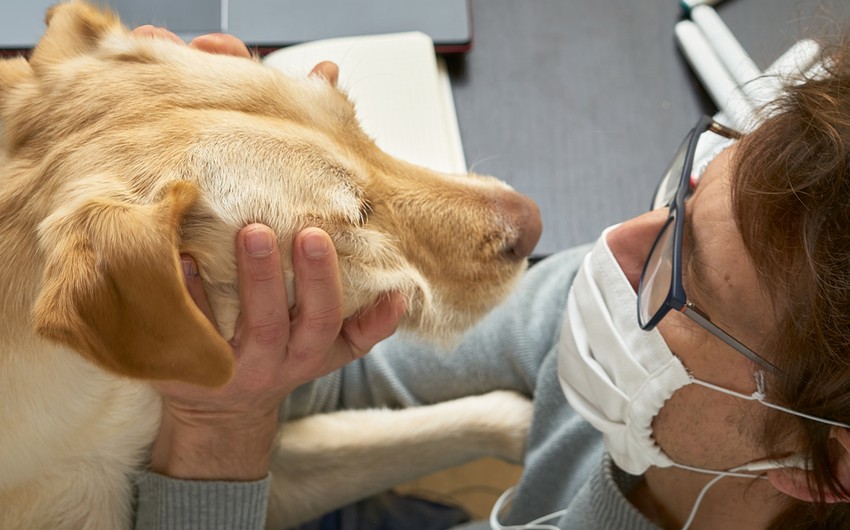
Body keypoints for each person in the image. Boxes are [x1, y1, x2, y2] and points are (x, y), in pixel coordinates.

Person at [135, 28, 850, 530]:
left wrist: (218, 430)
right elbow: (351, 376)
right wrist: (248, 293)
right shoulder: (636, 328)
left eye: (689, 285)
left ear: (826, 468)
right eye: (684, 198)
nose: (616, 241)